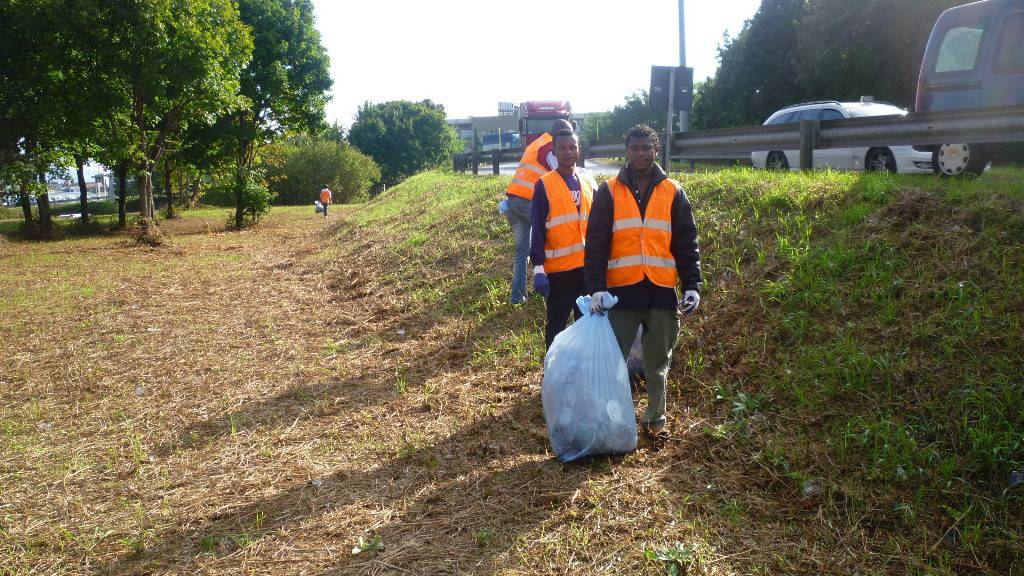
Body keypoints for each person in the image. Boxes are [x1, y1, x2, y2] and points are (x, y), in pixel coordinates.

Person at [584, 124, 703, 440]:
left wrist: (692, 285)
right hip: (621, 293)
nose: (640, 154)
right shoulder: (609, 191)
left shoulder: (673, 191)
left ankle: (655, 421)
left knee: (657, 364)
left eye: (646, 148)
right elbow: (596, 243)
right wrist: (596, 287)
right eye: (635, 148)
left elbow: (686, 242)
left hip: (661, 292)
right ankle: (612, 423)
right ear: (626, 150)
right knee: (613, 363)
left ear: (656, 150)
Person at [530, 129, 597, 350]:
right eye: (563, 148)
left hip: (585, 269)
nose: (569, 152)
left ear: (579, 149)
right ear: (554, 152)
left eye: (573, 147)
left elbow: (596, 226)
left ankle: (582, 368)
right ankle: (553, 370)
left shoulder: (587, 182)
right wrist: (538, 267)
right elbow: (538, 228)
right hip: (559, 272)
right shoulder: (545, 184)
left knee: (587, 322)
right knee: (556, 324)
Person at [504, 118, 574, 304]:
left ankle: (518, 297)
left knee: (521, 252)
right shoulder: (550, 148)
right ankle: (551, 286)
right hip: (528, 202)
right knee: (550, 238)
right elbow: (560, 174)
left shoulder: (537, 143)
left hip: (513, 201)